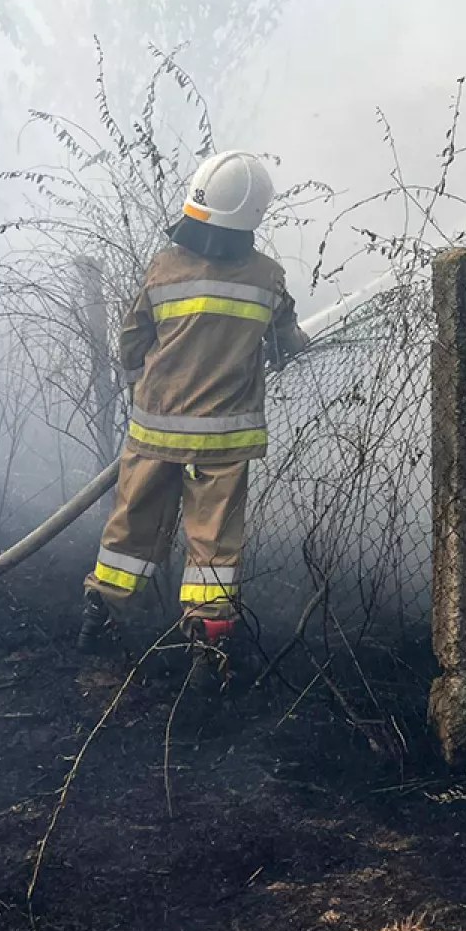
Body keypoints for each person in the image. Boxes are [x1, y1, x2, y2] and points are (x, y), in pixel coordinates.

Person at [76, 150, 311, 666]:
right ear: (253, 215)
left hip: (154, 433)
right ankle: (208, 647)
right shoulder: (267, 277)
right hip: (223, 442)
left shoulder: (164, 268)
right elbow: (286, 342)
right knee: (213, 547)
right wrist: (290, 343)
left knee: (131, 528)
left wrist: (144, 390)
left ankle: (102, 612)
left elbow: (132, 342)